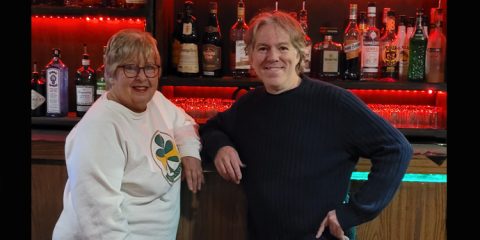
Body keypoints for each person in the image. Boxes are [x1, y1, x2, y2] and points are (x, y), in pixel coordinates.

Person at [199, 11, 413, 240]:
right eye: (262, 48)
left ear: (300, 53)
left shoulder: (334, 101)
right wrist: (222, 146)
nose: (272, 57)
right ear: (249, 55)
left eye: (283, 48)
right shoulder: (248, 105)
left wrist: (353, 213)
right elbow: (210, 128)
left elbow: (397, 149)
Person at [52, 29, 204, 240]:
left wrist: (189, 151)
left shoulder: (155, 101)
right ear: (110, 74)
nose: (142, 77)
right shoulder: (99, 129)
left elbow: (184, 122)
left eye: (150, 68)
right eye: (130, 68)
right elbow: (101, 222)